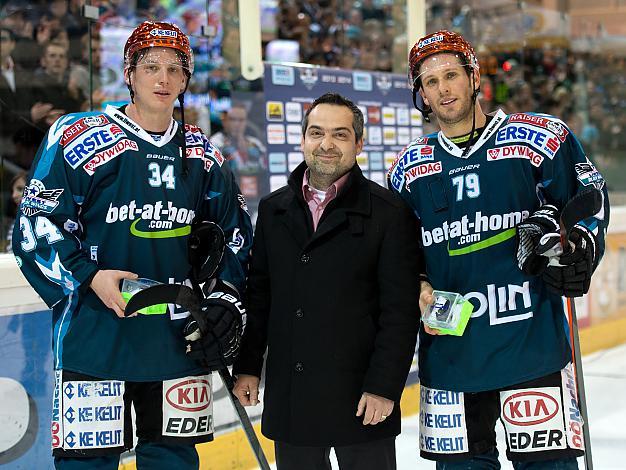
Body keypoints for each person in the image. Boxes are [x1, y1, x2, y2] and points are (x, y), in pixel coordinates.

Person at [12, 21, 252, 470]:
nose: (163, 79)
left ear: (186, 80)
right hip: (96, 337)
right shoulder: (76, 137)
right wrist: (89, 275)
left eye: (175, 69)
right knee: (86, 465)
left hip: (177, 344)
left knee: (173, 462)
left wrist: (225, 302)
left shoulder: (204, 156)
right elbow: (35, 224)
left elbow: (235, 238)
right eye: (150, 66)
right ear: (129, 73)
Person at [388, 30, 610, 468]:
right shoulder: (407, 169)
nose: (442, 89)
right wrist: (414, 281)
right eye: (430, 83)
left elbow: (589, 198)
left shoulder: (540, 137)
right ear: (422, 96)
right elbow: (397, 251)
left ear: (474, 78)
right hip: (452, 358)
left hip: (532, 346)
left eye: (451, 75)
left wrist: (581, 243)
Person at [232, 92, 421, 470]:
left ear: (359, 143)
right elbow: (260, 296)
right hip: (294, 401)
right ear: (303, 140)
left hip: (363, 401)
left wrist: (384, 387)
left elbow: (399, 313)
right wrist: (249, 365)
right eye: (316, 133)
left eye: (340, 134)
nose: (327, 144)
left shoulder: (389, 212)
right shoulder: (273, 210)